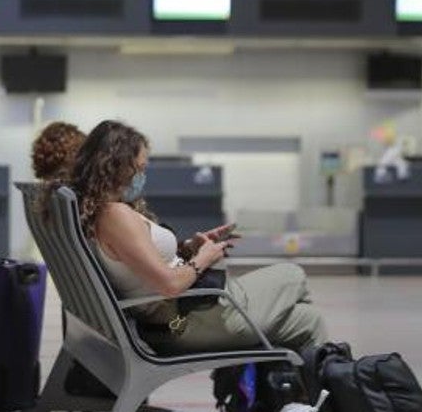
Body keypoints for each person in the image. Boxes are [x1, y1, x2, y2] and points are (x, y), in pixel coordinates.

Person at [71, 120, 326, 353]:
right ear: (117, 165)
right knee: (294, 275)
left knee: (308, 319)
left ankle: (301, 399)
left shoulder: (98, 213)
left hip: (175, 318)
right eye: (139, 169)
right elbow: (168, 286)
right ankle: (323, 393)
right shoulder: (116, 216)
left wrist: (188, 248)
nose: (141, 177)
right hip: (182, 323)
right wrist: (204, 257)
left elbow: (139, 264)